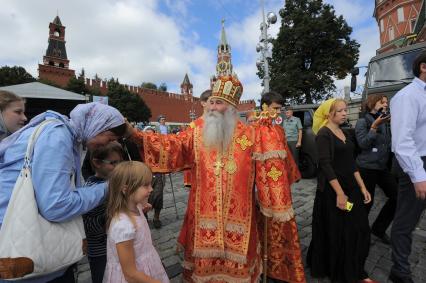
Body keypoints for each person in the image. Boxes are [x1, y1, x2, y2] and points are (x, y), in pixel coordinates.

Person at [127, 75, 304, 282]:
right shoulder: (197, 132)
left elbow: (270, 171)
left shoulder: (252, 134)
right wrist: (133, 134)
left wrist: (267, 198)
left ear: (230, 107)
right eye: (211, 101)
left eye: (218, 102)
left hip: (241, 217)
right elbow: (171, 145)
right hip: (204, 214)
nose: (211, 107)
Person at [0, 102, 126, 283]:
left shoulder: (61, 132)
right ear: (97, 125)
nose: (111, 143)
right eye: (110, 136)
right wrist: (109, 186)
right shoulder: (57, 136)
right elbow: (57, 206)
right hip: (24, 247)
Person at [307, 98, 376, 283]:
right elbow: (326, 165)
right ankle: (347, 270)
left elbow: (351, 163)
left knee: (359, 228)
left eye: (345, 110)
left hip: (351, 190)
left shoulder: (344, 132)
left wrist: (362, 187)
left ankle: (356, 267)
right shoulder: (323, 134)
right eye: (340, 111)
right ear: (330, 114)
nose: (345, 113)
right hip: (334, 192)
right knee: (340, 231)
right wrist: (339, 193)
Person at [259, 91, 306, 283]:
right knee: (263, 227)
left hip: (281, 191)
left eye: (280, 109)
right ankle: (263, 266)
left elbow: (286, 154)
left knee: (282, 227)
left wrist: (290, 176)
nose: (278, 112)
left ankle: (282, 267)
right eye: (275, 108)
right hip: (262, 189)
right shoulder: (253, 130)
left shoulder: (279, 130)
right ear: (264, 106)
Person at [389, 51, 426, 283]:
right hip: (415, 163)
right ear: (424, 67)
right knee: (406, 221)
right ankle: (400, 270)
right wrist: (418, 175)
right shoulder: (407, 96)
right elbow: (402, 141)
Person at [103, 161, 169, 283]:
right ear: (126, 189)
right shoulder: (123, 227)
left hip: (146, 267)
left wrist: (144, 203)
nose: (151, 189)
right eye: (146, 185)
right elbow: (130, 274)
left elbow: (139, 202)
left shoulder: (135, 205)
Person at [355, 94, 397, 245]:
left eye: (387, 102)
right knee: (367, 202)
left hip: (382, 168)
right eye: (382, 102)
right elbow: (363, 144)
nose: (386, 104)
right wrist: (374, 127)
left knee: (396, 197)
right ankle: (359, 234)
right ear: (373, 103)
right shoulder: (362, 121)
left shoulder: (385, 121)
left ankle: (378, 229)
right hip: (366, 168)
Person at [83, 142, 124, 283]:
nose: (118, 167)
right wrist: (111, 217)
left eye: (120, 162)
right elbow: (88, 226)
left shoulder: (116, 183)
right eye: (113, 163)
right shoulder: (90, 191)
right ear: (97, 163)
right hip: (101, 252)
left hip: (119, 247)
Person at [184, 89, 212, 188]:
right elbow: (186, 150)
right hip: (200, 173)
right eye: (212, 102)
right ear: (203, 103)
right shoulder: (193, 126)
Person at [143, 126, 166, 229]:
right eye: (147, 134)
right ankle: (144, 216)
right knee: (144, 196)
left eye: (151, 134)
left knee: (158, 195)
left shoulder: (158, 145)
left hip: (158, 173)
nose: (149, 136)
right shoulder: (140, 145)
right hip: (144, 173)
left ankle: (156, 218)